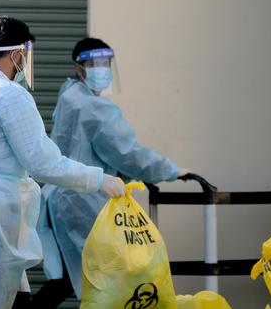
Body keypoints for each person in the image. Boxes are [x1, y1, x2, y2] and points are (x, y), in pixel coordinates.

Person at [0, 17, 125, 309]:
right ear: (18, 54)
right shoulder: (11, 95)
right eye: (26, 56)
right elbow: (42, 162)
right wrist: (98, 179)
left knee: (13, 298)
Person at [30, 38, 189, 308]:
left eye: (107, 63)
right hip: (85, 201)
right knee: (108, 274)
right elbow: (127, 153)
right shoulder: (93, 107)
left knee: (68, 278)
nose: (102, 69)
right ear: (79, 68)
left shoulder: (71, 95)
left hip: (65, 199)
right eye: (95, 64)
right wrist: (173, 171)